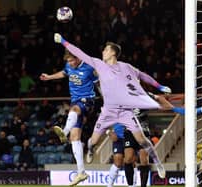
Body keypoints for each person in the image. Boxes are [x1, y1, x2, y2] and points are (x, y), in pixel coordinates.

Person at [54, 33, 171, 178]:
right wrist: (64, 42)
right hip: (108, 112)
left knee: (142, 140)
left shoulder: (126, 67)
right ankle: (90, 150)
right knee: (92, 141)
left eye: (105, 49)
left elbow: (142, 75)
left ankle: (158, 163)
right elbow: (80, 53)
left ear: (113, 53)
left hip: (125, 111)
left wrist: (159, 86)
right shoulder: (99, 64)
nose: (103, 51)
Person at [40, 50, 98, 186]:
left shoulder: (89, 68)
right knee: (75, 137)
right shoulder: (68, 66)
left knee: (74, 110)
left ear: (78, 58)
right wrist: (49, 77)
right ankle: (81, 172)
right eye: (68, 61)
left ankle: (64, 132)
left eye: (72, 61)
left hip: (87, 100)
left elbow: (99, 83)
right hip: (75, 101)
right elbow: (63, 73)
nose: (70, 63)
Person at [124, 109, 151, 187]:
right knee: (128, 158)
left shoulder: (143, 98)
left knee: (144, 160)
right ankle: (131, 185)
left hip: (143, 130)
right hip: (129, 131)